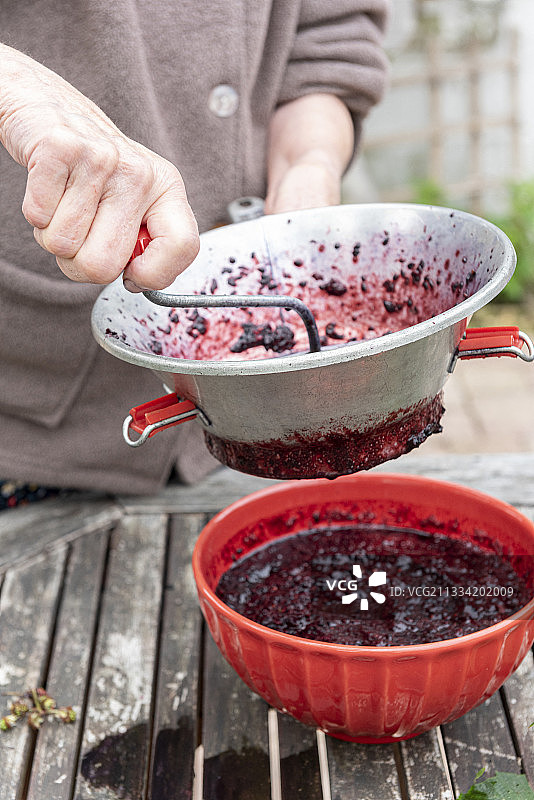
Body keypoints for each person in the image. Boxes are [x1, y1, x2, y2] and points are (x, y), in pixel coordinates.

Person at [0, 1, 389, 502]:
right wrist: (21, 95)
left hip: (245, 433)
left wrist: (308, 163)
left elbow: (326, 38)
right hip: (29, 424)